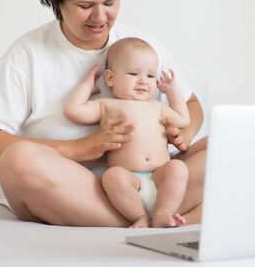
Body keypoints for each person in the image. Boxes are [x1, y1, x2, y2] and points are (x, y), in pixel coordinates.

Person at [0, 0, 207, 227]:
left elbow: (191, 103)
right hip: (73, 187)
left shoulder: (141, 46)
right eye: (85, 6)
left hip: (154, 180)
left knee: (225, 147)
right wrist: (79, 148)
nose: (100, 17)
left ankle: (149, 216)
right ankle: (170, 219)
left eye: (110, 2)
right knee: (19, 161)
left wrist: (186, 133)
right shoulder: (28, 53)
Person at [64, 38, 190, 228]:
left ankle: (163, 213)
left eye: (150, 76)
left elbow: (183, 119)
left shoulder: (158, 107)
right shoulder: (107, 105)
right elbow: (74, 110)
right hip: (128, 180)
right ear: (110, 78)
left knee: (179, 168)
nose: (142, 81)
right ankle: (139, 217)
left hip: (159, 176)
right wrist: (86, 86)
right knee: (111, 177)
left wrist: (172, 91)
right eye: (133, 73)